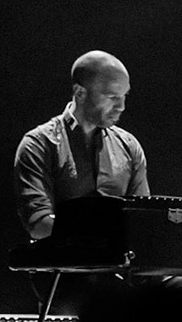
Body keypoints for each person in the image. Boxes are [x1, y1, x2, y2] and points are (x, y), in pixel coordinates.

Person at [13, 50, 147, 240]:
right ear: (79, 92)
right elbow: (39, 224)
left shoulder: (130, 146)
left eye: (124, 96)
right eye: (112, 97)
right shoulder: (38, 144)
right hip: (62, 267)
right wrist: (102, 236)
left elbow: (141, 220)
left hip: (117, 269)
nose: (121, 106)